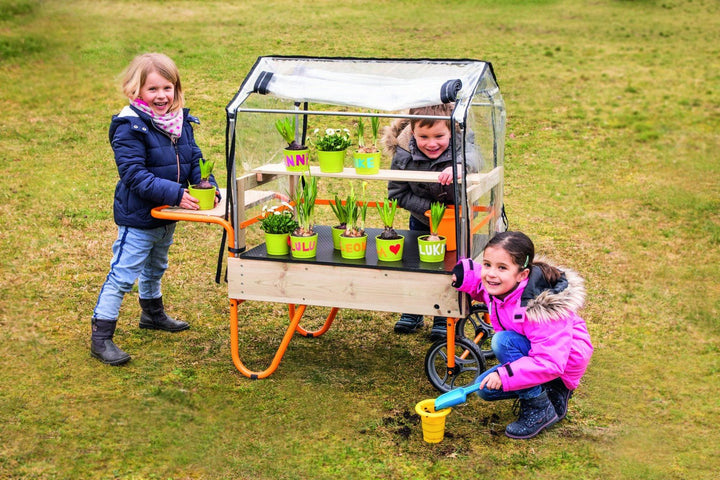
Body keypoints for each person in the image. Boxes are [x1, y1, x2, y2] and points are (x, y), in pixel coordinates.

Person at [90, 53, 219, 366]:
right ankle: (101, 336)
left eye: (167, 87)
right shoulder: (129, 126)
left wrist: (207, 184)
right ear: (136, 91)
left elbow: (194, 160)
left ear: (176, 88)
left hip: (167, 216)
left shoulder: (180, 123)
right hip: (139, 216)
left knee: (156, 266)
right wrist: (176, 193)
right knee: (123, 274)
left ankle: (152, 314)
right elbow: (133, 175)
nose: (161, 96)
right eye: (152, 89)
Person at [451, 231, 593, 439]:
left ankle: (542, 405)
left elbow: (551, 362)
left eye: (502, 268)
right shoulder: (503, 286)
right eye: (487, 264)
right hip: (535, 352)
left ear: (522, 275)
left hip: (562, 363)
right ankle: (542, 389)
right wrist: (465, 275)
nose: (490, 273)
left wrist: (504, 374)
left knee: (502, 342)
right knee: (484, 389)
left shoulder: (540, 309)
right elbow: (482, 286)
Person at [384, 103, 474, 340]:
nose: (431, 143)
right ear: (413, 132)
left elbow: (477, 158)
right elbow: (397, 194)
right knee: (418, 266)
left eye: (439, 136)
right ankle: (414, 310)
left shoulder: (463, 146)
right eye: (423, 136)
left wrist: (461, 167)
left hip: (457, 222)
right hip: (422, 222)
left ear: (452, 131)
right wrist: (432, 212)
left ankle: (443, 316)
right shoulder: (403, 153)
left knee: (450, 267)